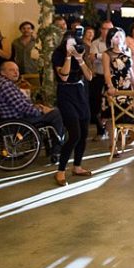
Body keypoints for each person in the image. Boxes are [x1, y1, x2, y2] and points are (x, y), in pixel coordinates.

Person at [0, 61, 64, 162]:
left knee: (51, 111)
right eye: (12, 70)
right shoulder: (6, 86)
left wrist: (39, 107)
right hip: (18, 121)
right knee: (56, 114)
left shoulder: (2, 83)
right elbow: (23, 108)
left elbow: (23, 105)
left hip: (15, 118)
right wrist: (41, 111)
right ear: (3, 72)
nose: (16, 72)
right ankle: (56, 151)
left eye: (17, 70)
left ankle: (51, 147)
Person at [52, 28, 94, 186]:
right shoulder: (58, 55)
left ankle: (77, 166)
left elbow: (89, 76)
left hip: (79, 92)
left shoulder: (81, 52)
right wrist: (68, 57)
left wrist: (80, 59)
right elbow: (64, 76)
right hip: (65, 93)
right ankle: (60, 171)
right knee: (75, 134)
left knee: (83, 133)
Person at [101, 27, 134, 140]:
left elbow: (131, 70)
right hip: (114, 85)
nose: (119, 38)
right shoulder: (107, 54)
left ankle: (123, 139)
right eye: (116, 36)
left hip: (127, 86)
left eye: (121, 36)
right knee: (112, 115)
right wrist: (110, 86)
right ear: (111, 39)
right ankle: (112, 142)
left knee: (127, 112)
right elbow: (106, 72)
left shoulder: (127, 51)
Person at [89, 21, 113, 139]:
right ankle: (100, 131)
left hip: (113, 78)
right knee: (97, 104)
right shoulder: (96, 43)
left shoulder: (116, 42)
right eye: (105, 29)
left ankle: (113, 130)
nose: (108, 31)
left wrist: (101, 55)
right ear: (101, 30)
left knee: (112, 104)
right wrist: (106, 56)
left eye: (110, 29)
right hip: (99, 76)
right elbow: (92, 57)